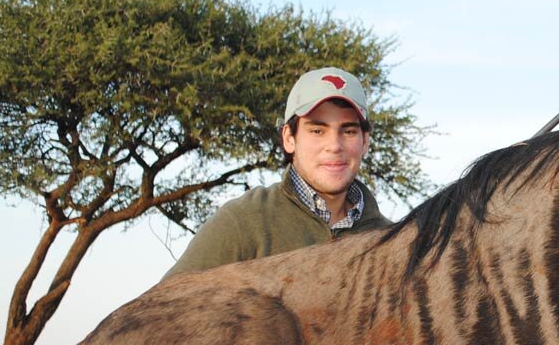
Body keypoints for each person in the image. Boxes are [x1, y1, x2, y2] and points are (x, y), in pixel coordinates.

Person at [166, 66, 392, 278]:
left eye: (349, 131)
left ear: (365, 143)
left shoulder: (393, 242)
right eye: (317, 130)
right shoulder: (243, 221)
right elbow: (164, 310)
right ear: (289, 138)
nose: (334, 145)